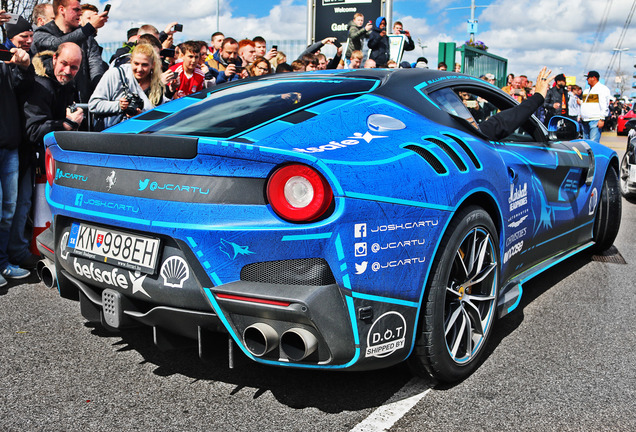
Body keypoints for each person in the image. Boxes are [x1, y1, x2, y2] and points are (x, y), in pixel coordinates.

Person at [0, 10, 36, 284]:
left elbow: (23, 87)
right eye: (24, 35)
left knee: (8, 210)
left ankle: (2, 263)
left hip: (9, 146)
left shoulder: (6, 56)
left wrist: (24, 66)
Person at [33, 0, 108, 103]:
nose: (80, 13)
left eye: (80, 10)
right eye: (76, 10)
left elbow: (95, 67)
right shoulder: (41, 33)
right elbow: (56, 44)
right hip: (52, 104)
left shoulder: (87, 37)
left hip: (82, 106)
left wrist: (100, 94)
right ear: (61, 10)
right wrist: (89, 28)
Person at [90, 43, 168, 130]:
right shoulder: (116, 74)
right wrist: (119, 106)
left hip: (142, 135)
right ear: (131, 61)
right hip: (112, 133)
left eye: (144, 65)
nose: (139, 69)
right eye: (136, 63)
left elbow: (160, 117)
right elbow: (93, 105)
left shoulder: (157, 84)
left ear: (152, 65)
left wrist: (141, 116)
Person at [480, 67, 554, 141]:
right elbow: (496, 125)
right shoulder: (505, 89)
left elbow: (523, 103)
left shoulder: (522, 90)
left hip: (517, 117)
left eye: (519, 83)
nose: (517, 84)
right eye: (516, 82)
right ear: (512, 82)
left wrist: (524, 96)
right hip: (506, 115)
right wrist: (538, 97)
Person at [580, 70, 611, 142]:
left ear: (593, 78)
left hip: (595, 120)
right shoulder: (586, 91)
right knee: (585, 143)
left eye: (588, 77)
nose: (587, 79)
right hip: (585, 120)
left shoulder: (602, 89)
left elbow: (604, 104)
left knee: (593, 143)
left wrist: (602, 119)